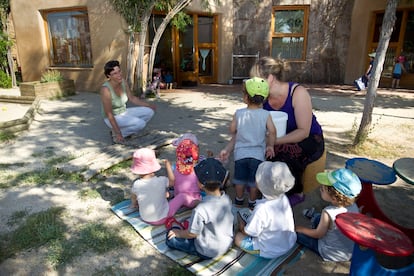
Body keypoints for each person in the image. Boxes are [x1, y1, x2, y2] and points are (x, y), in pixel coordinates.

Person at [249, 56, 324, 206]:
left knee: (283, 154)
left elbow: (303, 131)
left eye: (254, 79)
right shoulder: (263, 97)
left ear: (269, 79)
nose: (251, 83)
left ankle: (296, 191)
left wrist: (273, 141)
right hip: (277, 136)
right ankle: (260, 185)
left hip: (308, 138)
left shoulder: (297, 93)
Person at [219, 77, 276, 209]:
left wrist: (227, 148)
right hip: (257, 156)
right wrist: (270, 146)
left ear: (246, 97)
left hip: (240, 155)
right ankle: (252, 202)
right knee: (254, 181)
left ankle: (239, 200)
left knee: (239, 179)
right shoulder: (266, 114)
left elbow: (232, 130)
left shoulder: (239, 113)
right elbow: (272, 131)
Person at [165, 158, 234, 260]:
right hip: (227, 244)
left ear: (200, 184)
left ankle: (177, 229)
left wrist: (178, 233)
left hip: (207, 250)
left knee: (170, 238)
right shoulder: (227, 199)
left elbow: (192, 234)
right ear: (222, 181)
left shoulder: (201, 209)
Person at [295, 168, 362, 262]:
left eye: (323, 189)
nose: (320, 188)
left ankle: (312, 219)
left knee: (295, 234)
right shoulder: (353, 206)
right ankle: (315, 217)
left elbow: (318, 234)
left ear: (334, 198)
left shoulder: (328, 212)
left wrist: (300, 229)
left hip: (330, 252)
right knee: (320, 219)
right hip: (348, 251)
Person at [234, 161, 297, 259]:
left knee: (238, 238)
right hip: (288, 242)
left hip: (269, 250)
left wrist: (241, 224)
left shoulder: (262, 209)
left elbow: (249, 232)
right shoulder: (283, 197)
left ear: (261, 185)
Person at [101, 60, 155, 144]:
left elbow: (132, 98)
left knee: (149, 112)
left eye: (119, 71)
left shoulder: (123, 82)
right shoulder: (106, 89)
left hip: (124, 112)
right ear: (109, 76)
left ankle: (127, 132)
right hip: (112, 117)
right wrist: (118, 133)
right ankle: (116, 135)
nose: (119, 75)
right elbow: (109, 114)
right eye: (115, 73)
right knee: (141, 124)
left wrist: (148, 105)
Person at [130, 148, 173, 226]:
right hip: (164, 216)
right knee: (181, 197)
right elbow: (172, 182)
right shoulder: (162, 180)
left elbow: (133, 197)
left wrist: (134, 204)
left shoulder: (136, 184)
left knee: (164, 193)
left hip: (145, 218)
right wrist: (168, 167)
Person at [164, 134, 202, 217]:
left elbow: (172, 182)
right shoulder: (198, 168)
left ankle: (172, 196)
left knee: (174, 192)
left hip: (178, 196)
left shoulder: (175, 168)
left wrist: (168, 167)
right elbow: (201, 185)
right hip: (193, 200)